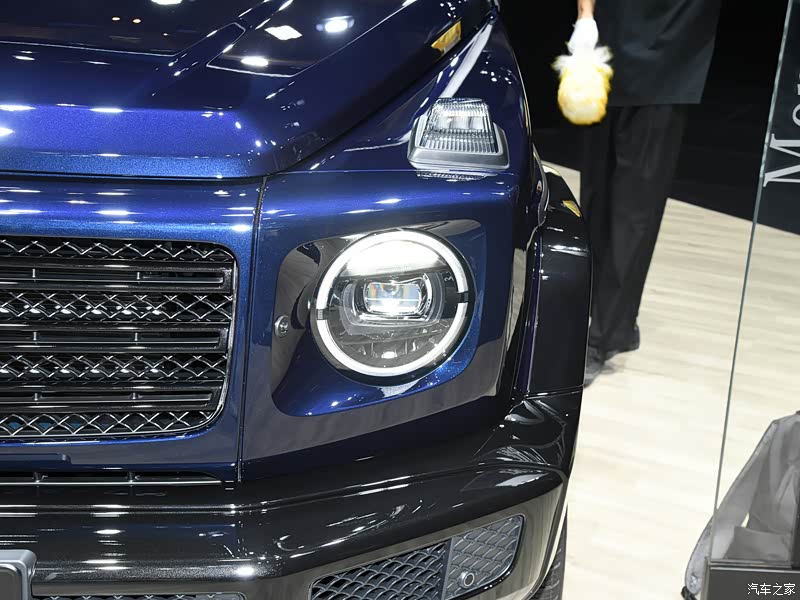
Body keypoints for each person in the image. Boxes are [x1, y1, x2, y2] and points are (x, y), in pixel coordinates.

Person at [569, 0, 722, 385]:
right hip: (606, 47)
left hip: (669, 58)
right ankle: (611, 321)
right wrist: (585, 16)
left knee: (635, 209)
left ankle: (601, 338)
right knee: (596, 195)